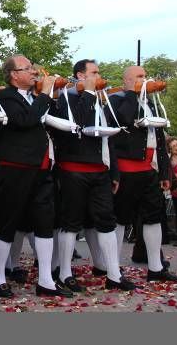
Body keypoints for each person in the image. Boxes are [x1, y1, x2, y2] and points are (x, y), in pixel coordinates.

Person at [50, 59, 135, 293]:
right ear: (80, 75)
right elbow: (76, 123)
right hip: (73, 169)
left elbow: (108, 138)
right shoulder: (67, 97)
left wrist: (114, 171)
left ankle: (113, 273)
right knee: (70, 222)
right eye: (94, 73)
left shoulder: (101, 99)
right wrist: (87, 92)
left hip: (100, 171)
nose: (99, 76)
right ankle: (65, 272)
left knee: (106, 221)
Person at [0, 55, 69, 297]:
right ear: (14, 74)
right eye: (28, 69)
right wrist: (44, 95)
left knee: (44, 222)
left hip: (41, 167)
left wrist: (48, 96)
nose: (34, 72)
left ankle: (46, 279)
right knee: (8, 222)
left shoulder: (35, 98)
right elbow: (24, 120)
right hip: (15, 168)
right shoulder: (5, 97)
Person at [108, 66, 177, 283]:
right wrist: (132, 92)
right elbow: (122, 120)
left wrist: (164, 172)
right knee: (120, 219)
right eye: (140, 76)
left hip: (150, 169)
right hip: (126, 169)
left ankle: (156, 267)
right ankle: (113, 269)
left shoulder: (151, 103)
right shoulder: (117, 100)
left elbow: (159, 139)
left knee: (153, 218)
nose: (145, 80)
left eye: (145, 76)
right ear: (129, 80)